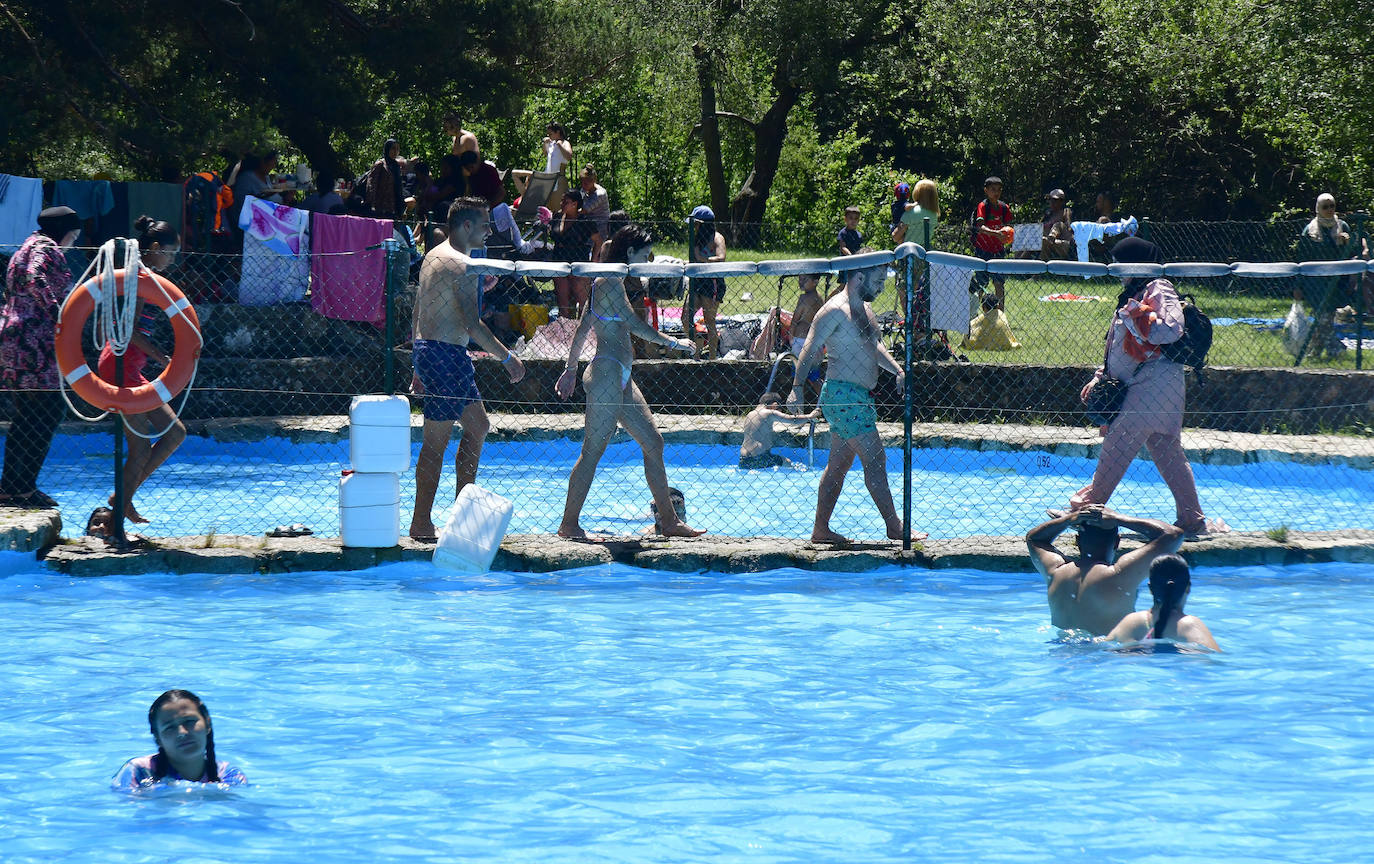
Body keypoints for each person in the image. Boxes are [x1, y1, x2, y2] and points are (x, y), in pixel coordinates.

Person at [1070, 237, 1227, 538]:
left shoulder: (1159, 287)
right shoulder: (1136, 292)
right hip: (1153, 387)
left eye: (1120, 262)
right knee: (1167, 452)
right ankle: (1192, 519)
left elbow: (1170, 329)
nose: (1116, 269)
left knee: (1117, 447)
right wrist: (1100, 376)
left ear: (1136, 262)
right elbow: (1119, 348)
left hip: (1151, 387)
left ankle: (1085, 510)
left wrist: (1135, 317)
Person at [554, 224, 703, 539]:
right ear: (629, 252)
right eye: (644, 252)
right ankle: (568, 525)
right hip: (607, 374)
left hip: (620, 375)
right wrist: (674, 343)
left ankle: (670, 522)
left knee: (653, 443)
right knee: (593, 450)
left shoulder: (613, 280)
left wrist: (570, 369)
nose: (648, 258)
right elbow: (634, 324)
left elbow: (583, 328)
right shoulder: (608, 281)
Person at [408, 198, 527, 542]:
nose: (490, 231)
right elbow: (471, 324)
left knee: (478, 425)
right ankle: (420, 523)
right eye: (486, 225)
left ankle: (461, 515)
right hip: (445, 355)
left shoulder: (434, 255)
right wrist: (508, 358)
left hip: (436, 352)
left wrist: (419, 361)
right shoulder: (462, 265)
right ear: (467, 227)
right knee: (435, 444)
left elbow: (420, 308)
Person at [790, 251, 914, 543]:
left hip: (856, 396)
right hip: (844, 395)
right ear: (860, 275)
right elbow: (809, 347)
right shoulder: (835, 309)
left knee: (839, 464)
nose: (882, 286)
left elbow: (874, 347)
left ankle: (821, 530)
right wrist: (796, 387)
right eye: (879, 279)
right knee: (875, 459)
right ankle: (895, 527)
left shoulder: (865, 310)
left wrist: (897, 369)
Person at [95, 216, 188, 524]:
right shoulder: (137, 280)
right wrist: (163, 358)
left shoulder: (146, 278)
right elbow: (130, 333)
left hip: (130, 366)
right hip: (120, 367)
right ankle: (117, 513)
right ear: (156, 248)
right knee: (141, 449)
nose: (172, 261)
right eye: (170, 253)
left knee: (175, 433)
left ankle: (122, 497)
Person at [0, 207, 81, 509]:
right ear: (64, 231)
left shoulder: (24, 246)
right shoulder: (46, 248)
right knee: (48, 412)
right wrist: (58, 313)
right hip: (34, 342)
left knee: (27, 416)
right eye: (73, 234)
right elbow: (35, 277)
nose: (74, 240)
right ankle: (23, 487)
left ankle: (12, 487)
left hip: (14, 339)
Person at [1027, 506, 1186, 636]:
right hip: (1109, 657)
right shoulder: (1120, 574)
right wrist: (1120, 519)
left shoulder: (1055, 571)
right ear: (1117, 542)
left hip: (1062, 654)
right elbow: (1173, 534)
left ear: (1077, 541)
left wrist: (1068, 520)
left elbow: (1034, 539)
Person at [111, 689, 247, 789]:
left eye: (189, 721)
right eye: (169, 728)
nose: (182, 732)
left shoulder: (228, 775)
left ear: (207, 724)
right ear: (158, 738)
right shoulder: (139, 771)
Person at [1104, 554, 1220, 650]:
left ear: (1150, 588)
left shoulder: (1131, 622)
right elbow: (1212, 662)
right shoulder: (1189, 625)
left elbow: (1104, 650)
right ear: (1188, 588)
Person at [1294, 193, 1359, 361]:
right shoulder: (1310, 230)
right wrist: (1298, 285)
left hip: (1337, 280)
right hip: (1315, 282)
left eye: (1332, 206)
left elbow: (1352, 254)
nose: (1329, 210)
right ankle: (1336, 349)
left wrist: (1347, 243)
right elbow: (1302, 259)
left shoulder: (1342, 226)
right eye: (1325, 207)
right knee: (1323, 316)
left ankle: (1313, 353)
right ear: (1318, 209)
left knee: (1325, 317)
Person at [549, 188, 601, 320]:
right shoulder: (557, 217)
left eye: (566, 201)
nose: (562, 204)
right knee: (563, 304)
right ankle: (566, 332)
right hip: (559, 264)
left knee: (582, 303)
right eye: (562, 201)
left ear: (575, 204)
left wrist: (594, 260)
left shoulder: (584, 221)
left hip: (579, 264)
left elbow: (598, 241)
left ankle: (584, 332)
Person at [686, 205, 728, 359]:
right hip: (697, 281)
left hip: (712, 282)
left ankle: (712, 359)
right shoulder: (697, 239)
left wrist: (701, 259)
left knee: (709, 320)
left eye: (696, 224)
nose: (694, 227)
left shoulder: (717, 237)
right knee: (686, 317)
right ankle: (696, 350)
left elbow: (721, 258)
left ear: (703, 224)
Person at [739, 393, 821, 469]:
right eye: (779, 408)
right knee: (787, 462)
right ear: (774, 405)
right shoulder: (769, 413)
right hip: (760, 457)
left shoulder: (750, 414)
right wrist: (810, 416)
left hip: (743, 460)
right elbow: (793, 420)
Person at [970, 176, 1012, 309]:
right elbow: (980, 227)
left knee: (999, 282)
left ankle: (1001, 314)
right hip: (982, 250)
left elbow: (1007, 227)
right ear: (986, 190)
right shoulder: (983, 206)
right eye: (993, 189)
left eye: (999, 190)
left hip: (998, 251)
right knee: (981, 283)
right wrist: (996, 234)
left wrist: (1007, 236)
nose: (996, 192)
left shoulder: (1004, 208)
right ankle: (977, 312)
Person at [787, 273, 825, 410]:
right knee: (814, 377)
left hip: (801, 341)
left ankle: (798, 410)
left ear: (815, 281)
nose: (800, 282)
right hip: (816, 341)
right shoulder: (820, 298)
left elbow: (795, 320)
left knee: (798, 378)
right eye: (799, 279)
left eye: (805, 279)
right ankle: (827, 405)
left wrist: (790, 337)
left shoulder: (804, 298)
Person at [365, 139, 410, 218]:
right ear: (387, 149)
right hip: (380, 207)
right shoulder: (380, 165)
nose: (395, 151)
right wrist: (371, 204)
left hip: (393, 207)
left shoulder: (396, 166)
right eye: (393, 148)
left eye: (397, 149)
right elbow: (371, 185)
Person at [897, 179, 941, 246]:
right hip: (924, 252)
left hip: (908, 252)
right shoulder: (934, 214)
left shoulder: (911, 212)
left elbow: (896, 236)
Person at [577, 165, 609, 252]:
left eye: (586, 183)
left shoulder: (600, 194)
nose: (583, 185)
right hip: (588, 226)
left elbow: (583, 210)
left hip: (600, 229)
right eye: (582, 182)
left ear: (593, 181)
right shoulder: (585, 189)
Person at [1037, 189, 1073, 261]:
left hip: (1062, 243)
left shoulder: (1065, 212)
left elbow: (1068, 228)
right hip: (1044, 241)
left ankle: (1043, 266)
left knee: (1057, 225)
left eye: (1055, 200)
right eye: (1050, 199)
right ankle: (1018, 263)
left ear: (1062, 201)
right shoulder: (1047, 215)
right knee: (1030, 239)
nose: (1052, 202)